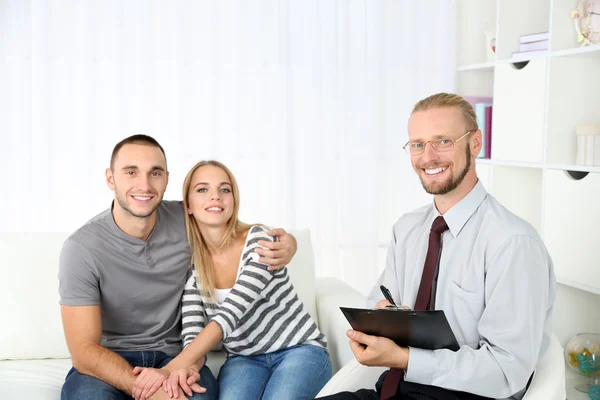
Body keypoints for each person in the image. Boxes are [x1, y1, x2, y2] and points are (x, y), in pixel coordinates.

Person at [319, 93, 556, 400]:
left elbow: (507, 370)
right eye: (417, 144)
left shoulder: (512, 244)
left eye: (443, 141)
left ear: (475, 143)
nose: (428, 157)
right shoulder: (407, 229)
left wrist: (404, 358)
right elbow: (382, 296)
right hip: (394, 390)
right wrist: (380, 317)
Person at [58, 135, 298, 400]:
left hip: (176, 358)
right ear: (110, 178)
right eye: (131, 172)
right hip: (110, 362)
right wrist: (149, 390)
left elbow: (233, 229)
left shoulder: (189, 220)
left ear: (167, 179)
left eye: (155, 173)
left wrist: (288, 244)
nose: (144, 185)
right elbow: (83, 351)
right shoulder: (81, 248)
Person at [132, 160, 332, 400]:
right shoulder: (192, 262)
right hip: (243, 360)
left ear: (233, 200)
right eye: (202, 189)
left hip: (298, 350)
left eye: (224, 189)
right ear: (189, 206)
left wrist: (167, 369)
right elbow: (193, 331)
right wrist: (189, 368)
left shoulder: (259, 240)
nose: (215, 197)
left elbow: (228, 316)